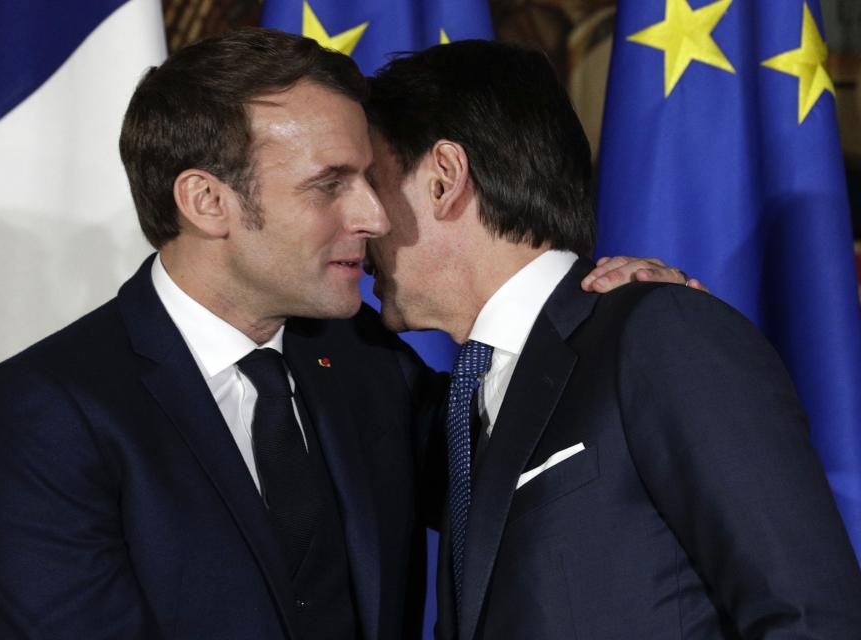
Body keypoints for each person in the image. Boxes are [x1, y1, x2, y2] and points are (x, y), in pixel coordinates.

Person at [0, 28, 692, 640]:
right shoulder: (43, 413)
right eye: (330, 184)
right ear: (208, 201)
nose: (375, 216)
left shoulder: (361, 360)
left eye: (370, 177)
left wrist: (599, 322)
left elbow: (526, 456)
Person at [365, 39, 861, 639]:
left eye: (371, 181)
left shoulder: (660, 331)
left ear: (444, 179)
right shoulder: (466, 406)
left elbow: (810, 618)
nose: (362, 218)